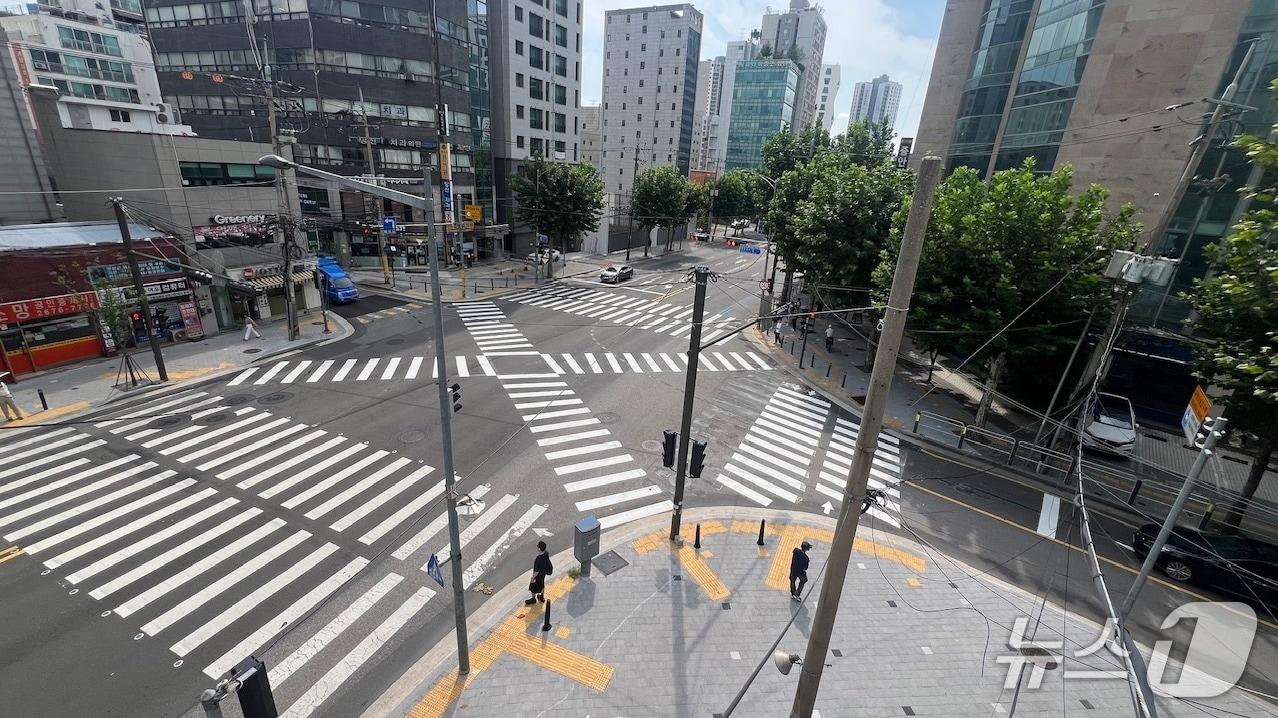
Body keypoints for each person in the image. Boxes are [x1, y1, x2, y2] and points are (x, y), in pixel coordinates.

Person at [525, 540, 554, 605]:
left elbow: (536, 571)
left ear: (539, 548)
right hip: (543, 574)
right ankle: (541, 597)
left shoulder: (539, 559)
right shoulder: (546, 553)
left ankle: (533, 599)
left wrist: (532, 577)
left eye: (537, 546)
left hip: (537, 576)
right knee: (542, 585)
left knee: (532, 587)